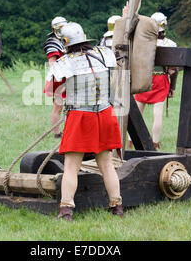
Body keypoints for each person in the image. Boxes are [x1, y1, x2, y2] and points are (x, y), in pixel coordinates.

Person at [46, 22, 123, 221]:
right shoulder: (104, 53)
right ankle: (117, 207)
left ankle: (66, 211)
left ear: (65, 42)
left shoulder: (65, 62)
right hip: (105, 112)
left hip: (80, 116)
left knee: (71, 165)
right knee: (106, 164)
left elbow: (52, 90)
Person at [129, 12, 178, 150]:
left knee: (137, 111)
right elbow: (173, 70)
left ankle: (130, 140)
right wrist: (172, 87)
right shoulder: (171, 44)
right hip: (161, 79)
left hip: (144, 77)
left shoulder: (143, 43)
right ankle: (155, 143)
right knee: (158, 113)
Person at [43, 16, 67, 138]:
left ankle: (68, 130)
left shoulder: (66, 40)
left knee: (70, 105)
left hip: (68, 76)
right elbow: (52, 63)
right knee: (58, 106)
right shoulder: (52, 42)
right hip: (58, 78)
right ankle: (57, 133)